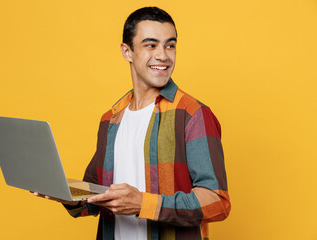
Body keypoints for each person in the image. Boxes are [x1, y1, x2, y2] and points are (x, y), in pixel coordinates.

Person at [34, 6, 231, 240]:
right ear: (127, 52)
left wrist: (142, 203)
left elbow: (217, 202)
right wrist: (66, 195)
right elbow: (95, 198)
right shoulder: (111, 119)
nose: (163, 55)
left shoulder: (192, 114)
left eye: (170, 45)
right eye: (151, 45)